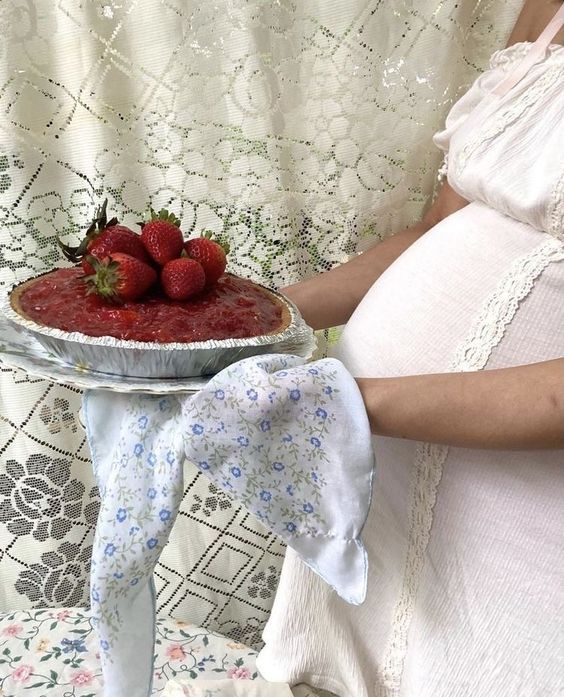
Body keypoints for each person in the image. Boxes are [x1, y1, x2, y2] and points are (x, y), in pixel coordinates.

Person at [253, 1, 564, 696]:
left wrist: (353, 404)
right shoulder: (542, 11)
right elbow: (437, 226)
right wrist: (249, 314)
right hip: (380, 478)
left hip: (531, 513)